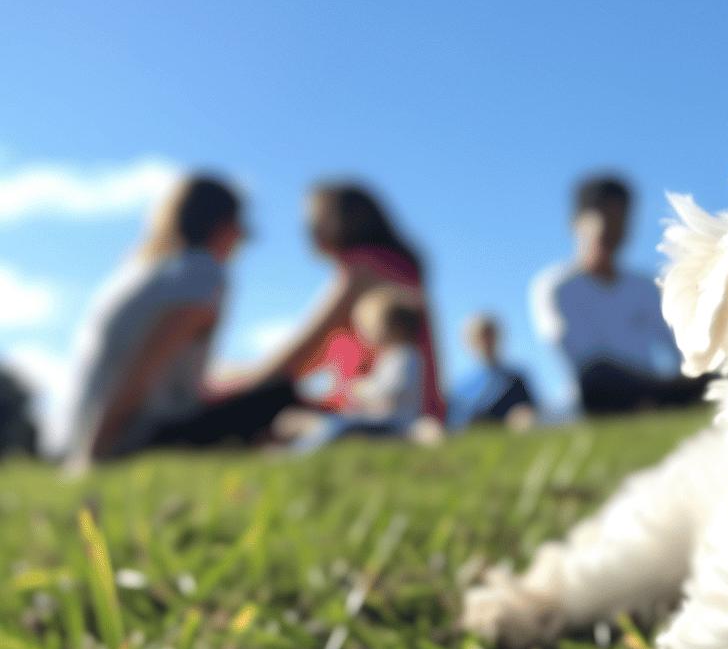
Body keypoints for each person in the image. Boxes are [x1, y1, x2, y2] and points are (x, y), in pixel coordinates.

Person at [62, 175, 295, 468]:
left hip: (98, 430)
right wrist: (93, 454)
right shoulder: (203, 273)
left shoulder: (146, 272)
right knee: (279, 391)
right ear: (225, 225)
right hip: (132, 437)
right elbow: (142, 369)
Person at [233, 182, 446, 422]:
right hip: (422, 410)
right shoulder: (401, 267)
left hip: (378, 411)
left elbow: (299, 354)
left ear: (346, 220)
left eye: (316, 219)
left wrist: (237, 386)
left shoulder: (363, 268)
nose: (309, 230)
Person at [531, 175, 706, 414]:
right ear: (577, 221)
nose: (612, 226)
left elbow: (679, 348)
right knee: (599, 377)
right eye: (603, 215)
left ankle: (660, 399)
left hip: (655, 385)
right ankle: (659, 399)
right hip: (598, 394)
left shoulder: (646, 287)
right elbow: (584, 360)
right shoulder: (556, 286)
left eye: (621, 217)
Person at [276, 287, 428, 451]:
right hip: (382, 421)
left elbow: (393, 389)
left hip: (394, 424)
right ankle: (297, 445)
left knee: (336, 427)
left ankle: (299, 452)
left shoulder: (405, 356)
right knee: (334, 423)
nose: (363, 333)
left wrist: (361, 388)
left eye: (368, 326)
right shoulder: (391, 357)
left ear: (392, 326)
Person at [448, 314, 536, 430]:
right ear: (470, 343)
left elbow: (530, 412)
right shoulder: (460, 388)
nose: (486, 343)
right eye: (480, 338)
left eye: (489, 336)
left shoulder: (515, 379)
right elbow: (453, 424)